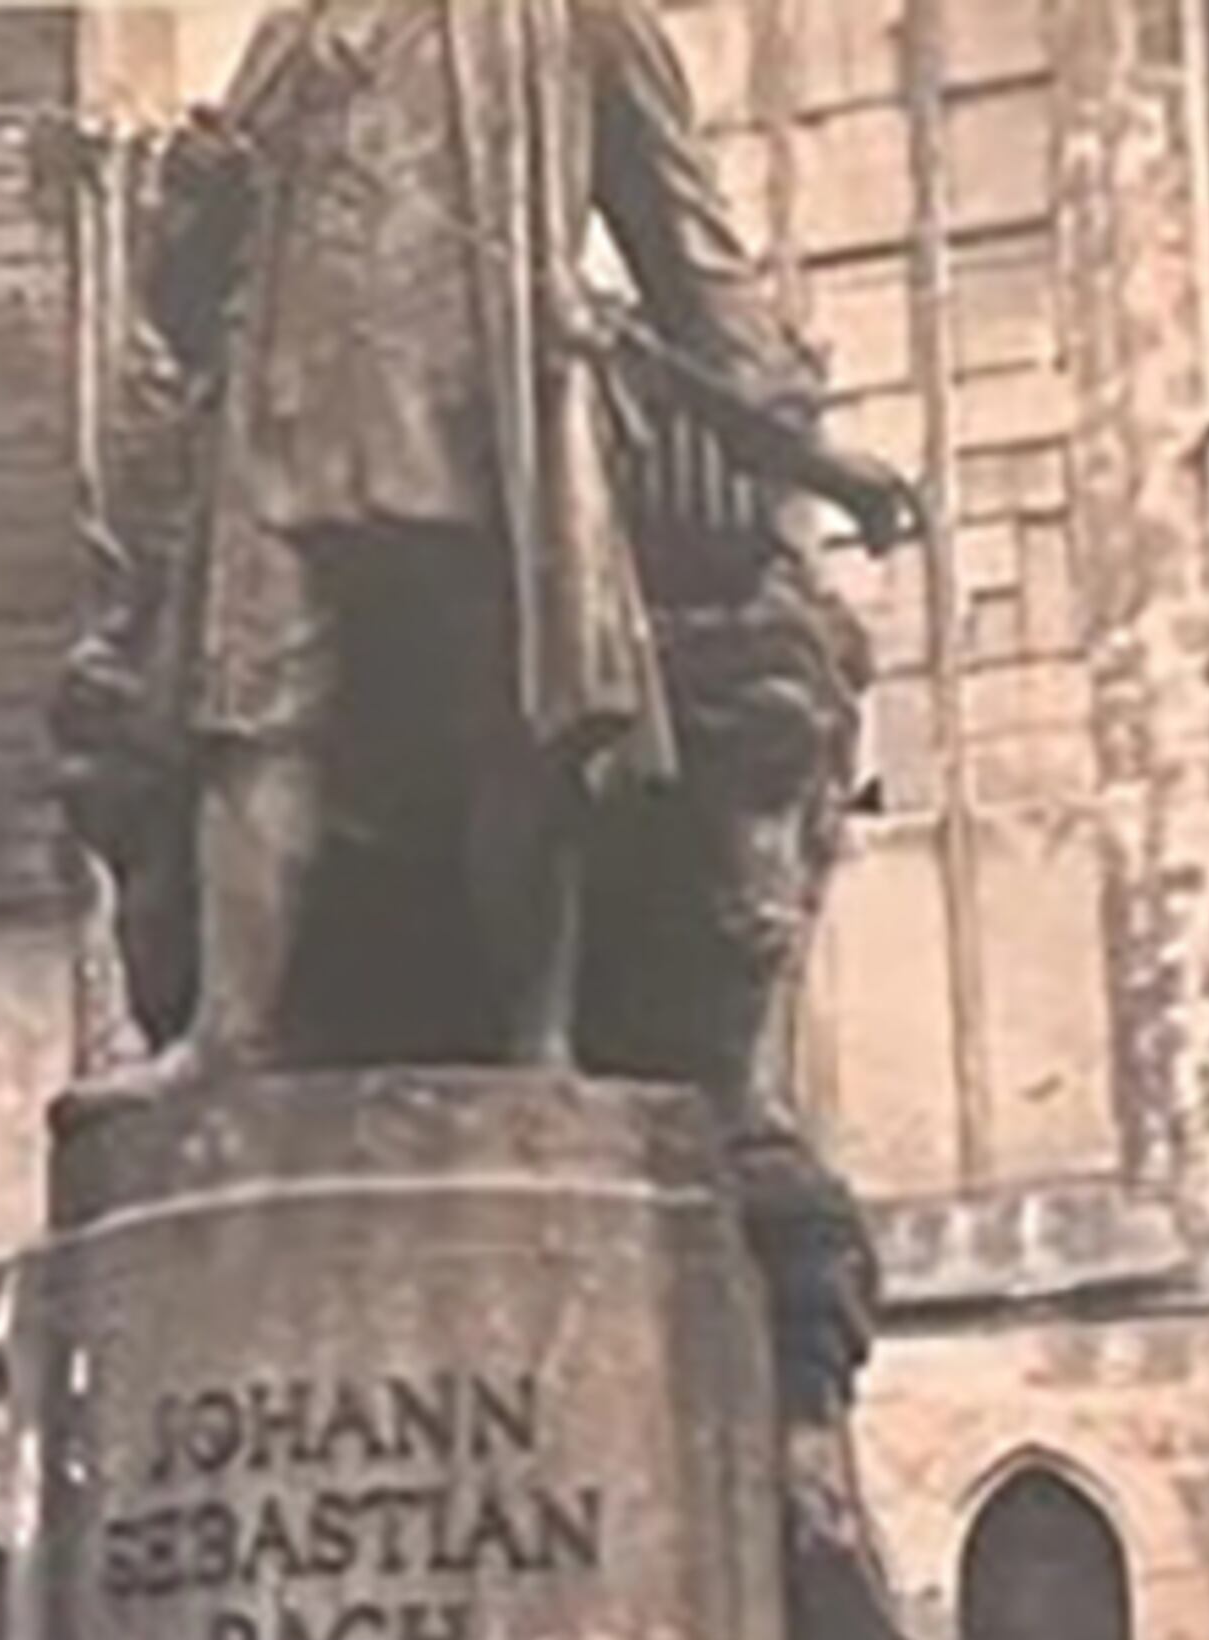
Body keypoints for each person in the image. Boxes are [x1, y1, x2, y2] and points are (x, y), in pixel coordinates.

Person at [155, 0, 924, 1073]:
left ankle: (539, 1046)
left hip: (488, 420)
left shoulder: (581, 20)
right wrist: (192, 205)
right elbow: (188, 298)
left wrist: (800, 450)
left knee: (520, 725)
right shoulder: (301, 27)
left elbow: (690, 256)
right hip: (292, 419)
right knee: (253, 715)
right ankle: (227, 1034)